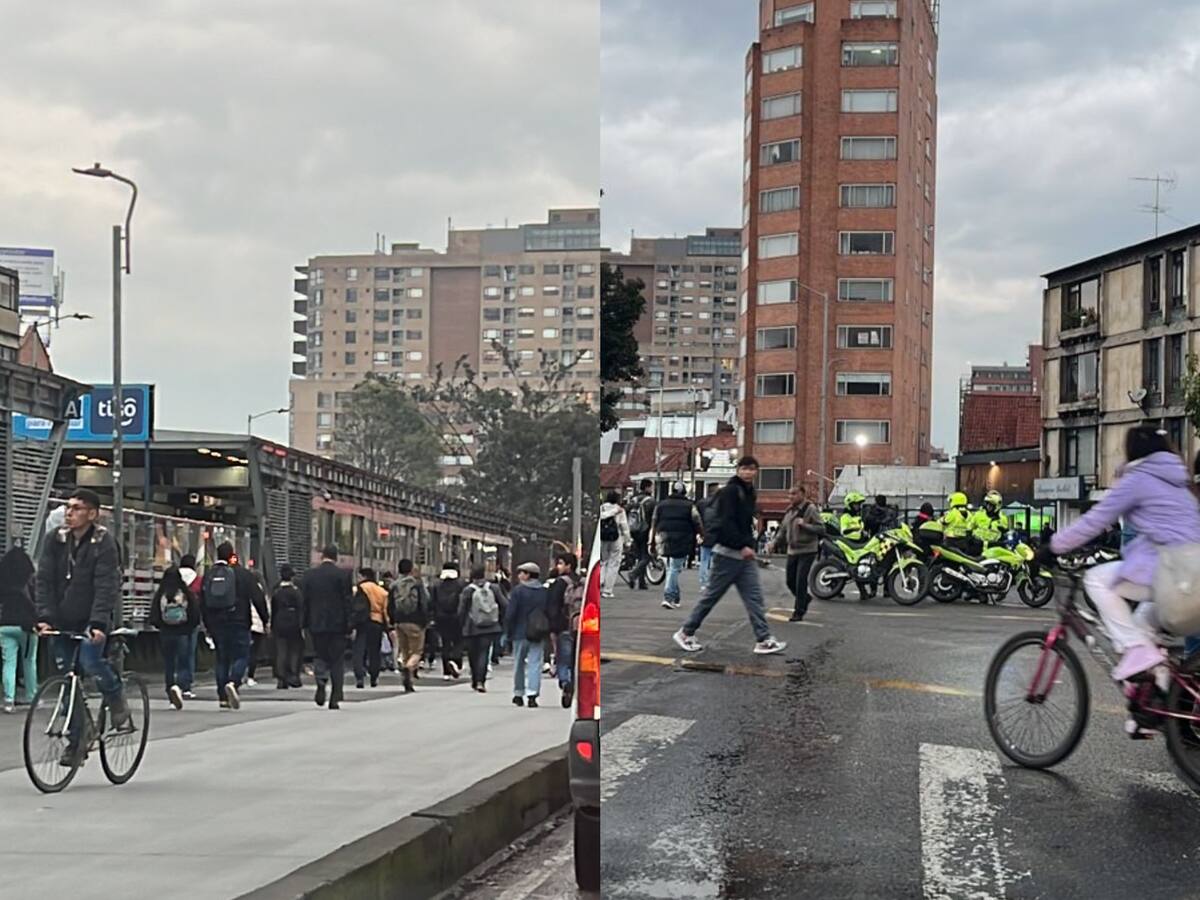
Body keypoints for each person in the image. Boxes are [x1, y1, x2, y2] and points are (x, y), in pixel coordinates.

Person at [1046, 425, 1200, 680]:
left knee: (1096, 579)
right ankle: (1158, 693)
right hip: (1192, 578)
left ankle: (1137, 651)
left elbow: (1094, 521)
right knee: (1140, 625)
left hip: (1172, 575)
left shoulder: (1138, 479)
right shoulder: (1180, 483)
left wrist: (1053, 546)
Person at [36, 489, 132, 762]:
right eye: (68, 507)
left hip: (92, 620)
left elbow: (106, 585)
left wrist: (98, 622)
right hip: (63, 619)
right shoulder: (55, 540)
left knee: (91, 661)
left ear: (92, 514)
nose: (70, 512)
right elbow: (44, 580)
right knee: (67, 679)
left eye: (77, 508)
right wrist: (45, 616)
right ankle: (78, 738)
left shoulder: (104, 543)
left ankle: (115, 697)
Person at [672, 457, 787, 656]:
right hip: (727, 554)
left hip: (742, 556)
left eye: (752, 469)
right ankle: (685, 632)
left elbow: (744, 523)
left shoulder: (749, 492)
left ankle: (763, 639)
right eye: (745, 468)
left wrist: (747, 546)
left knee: (754, 598)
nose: (748, 472)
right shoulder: (730, 491)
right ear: (738, 469)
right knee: (712, 596)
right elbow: (725, 522)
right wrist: (742, 545)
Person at [201, 542, 269, 710]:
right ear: (232, 555)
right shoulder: (243, 574)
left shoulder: (209, 575)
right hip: (239, 622)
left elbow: (203, 602)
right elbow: (258, 597)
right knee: (241, 655)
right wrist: (265, 619)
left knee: (222, 659)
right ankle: (234, 682)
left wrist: (208, 625)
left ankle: (222, 698)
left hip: (217, 624)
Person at [301, 545, 354, 710]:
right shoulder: (343, 575)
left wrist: (304, 624)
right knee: (337, 660)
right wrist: (350, 625)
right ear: (336, 557)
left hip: (316, 624)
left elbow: (305, 602)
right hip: (338, 625)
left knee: (320, 655)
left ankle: (321, 679)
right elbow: (347, 602)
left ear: (322, 556)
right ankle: (335, 697)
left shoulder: (310, 575)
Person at [149, 562, 201, 709]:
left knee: (169, 664)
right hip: (182, 632)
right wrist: (189, 627)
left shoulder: (161, 594)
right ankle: (182, 687)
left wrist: (161, 626)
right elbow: (194, 613)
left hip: (166, 633)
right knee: (183, 662)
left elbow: (154, 615)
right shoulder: (185, 593)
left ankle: (171, 691)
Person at [772, 485, 823, 622]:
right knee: (790, 581)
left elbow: (821, 528)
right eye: (789, 494)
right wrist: (774, 543)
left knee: (801, 580)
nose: (791, 497)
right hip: (792, 550)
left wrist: (805, 525)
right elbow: (783, 529)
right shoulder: (790, 511)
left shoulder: (810, 509)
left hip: (808, 550)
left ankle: (799, 611)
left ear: (802, 494)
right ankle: (805, 598)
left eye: (794, 494)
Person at [650, 482, 702, 610]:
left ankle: (676, 597)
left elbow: (654, 522)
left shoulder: (660, 505)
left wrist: (651, 541)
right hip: (683, 538)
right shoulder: (690, 505)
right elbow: (697, 521)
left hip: (663, 537)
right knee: (674, 568)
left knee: (671, 568)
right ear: (684, 492)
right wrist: (702, 534)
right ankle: (668, 597)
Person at [504, 561, 550, 707]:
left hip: (520, 632)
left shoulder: (518, 591)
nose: (519, 576)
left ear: (528, 575)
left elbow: (511, 613)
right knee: (535, 663)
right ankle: (532, 694)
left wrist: (508, 632)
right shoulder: (544, 592)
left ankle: (518, 693)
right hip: (538, 632)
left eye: (521, 573)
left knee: (518, 663)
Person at [0, 546, 37, 714]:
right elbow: (35, 602)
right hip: (26, 626)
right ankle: (32, 696)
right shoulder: (28, 582)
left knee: (9, 663)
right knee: (29, 661)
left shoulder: (3, 582)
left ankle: (9, 699)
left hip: (4, 625)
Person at [459, 563, 506, 692]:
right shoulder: (494, 588)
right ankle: (481, 681)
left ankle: (475, 679)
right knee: (484, 653)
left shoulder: (468, 590)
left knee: (472, 654)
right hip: (490, 626)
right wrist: (499, 619)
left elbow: (462, 610)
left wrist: (461, 625)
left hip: (472, 626)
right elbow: (504, 604)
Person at [545, 552, 583, 706]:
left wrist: (553, 627)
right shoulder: (582, 581)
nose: (558, 567)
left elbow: (552, 606)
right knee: (576, 660)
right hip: (580, 625)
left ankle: (565, 682)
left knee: (563, 659)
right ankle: (574, 683)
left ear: (569, 565)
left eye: (561, 563)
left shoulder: (560, 583)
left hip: (564, 626)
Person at [390, 558, 430, 693]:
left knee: (405, 651)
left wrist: (393, 620)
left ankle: (407, 680)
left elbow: (390, 605)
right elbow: (424, 603)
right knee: (417, 652)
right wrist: (425, 620)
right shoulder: (417, 584)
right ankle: (409, 668)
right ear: (411, 569)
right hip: (416, 622)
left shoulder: (394, 585)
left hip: (400, 622)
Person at [352, 568, 390, 688]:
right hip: (377, 622)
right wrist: (388, 627)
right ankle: (374, 677)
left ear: (364, 577)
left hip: (362, 623)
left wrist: (352, 624)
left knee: (359, 650)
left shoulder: (359, 588)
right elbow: (385, 611)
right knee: (374, 651)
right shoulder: (382, 592)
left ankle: (359, 677)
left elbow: (354, 607)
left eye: (359, 577)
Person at [271, 564, 305, 689]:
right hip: (294, 622)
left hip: (279, 621)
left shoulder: (277, 591)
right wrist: (302, 625)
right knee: (294, 649)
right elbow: (301, 608)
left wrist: (271, 624)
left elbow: (273, 609)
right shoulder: (296, 592)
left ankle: (281, 678)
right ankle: (293, 675)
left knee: (281, 650)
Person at [433, 561, 466, 680]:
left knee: (445, 643)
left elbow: (432, 602)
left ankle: (446, 672)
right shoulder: (461, 584)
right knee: (458, 642)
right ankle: (456, 662)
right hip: (457, 617)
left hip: (441, 618)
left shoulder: (437, 585)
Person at [176, 553, 203, 700]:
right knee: (189, 654)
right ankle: (186, 685)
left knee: (176, 653)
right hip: (192, 621)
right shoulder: (197, 581)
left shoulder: (173, 578)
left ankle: (174, 683)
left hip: (173, 621)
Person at [598, 491, 631, 599]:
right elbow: (624, 527)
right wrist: (627, 541)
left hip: (603, 538)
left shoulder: (602, 508)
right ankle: (607, 590)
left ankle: (600, 582)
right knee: (613, 564)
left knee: (603, 562)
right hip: (616, 538)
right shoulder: (620, 510)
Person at [626, 479, 657, 591]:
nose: (652, 489)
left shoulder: (633, 499)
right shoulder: (651, 501)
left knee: (640, 556)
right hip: (645, 530)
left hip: (633, 530)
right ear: (647, 487)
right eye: (651, 487)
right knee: (647, 556)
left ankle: (641, 582)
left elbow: (626, 511)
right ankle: (633, 574)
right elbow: (654, 518)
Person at [697, 483, 721, 591]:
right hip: (718, 536)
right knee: (716, 561)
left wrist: (698, 533)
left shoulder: (701, 503)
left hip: (705, 534)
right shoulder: (722, 503)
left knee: (704, 560)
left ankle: (704, 583)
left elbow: (697, 519)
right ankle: (714, 583)